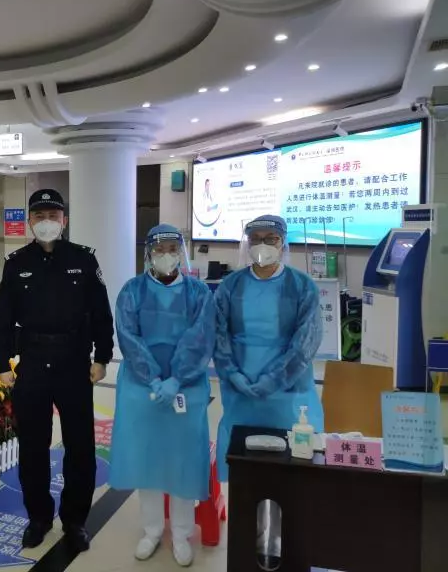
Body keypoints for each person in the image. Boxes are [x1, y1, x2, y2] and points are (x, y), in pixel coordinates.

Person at [0, 189, 114, 552]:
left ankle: (75, 521)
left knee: (80, 446)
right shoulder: (16, 263)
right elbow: (3, 319)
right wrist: (2, 364)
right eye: (40, 215)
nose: (46, 221)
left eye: (53, 215)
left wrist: (102, 356)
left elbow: (101, 313)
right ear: (29, 221)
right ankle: (39, 518)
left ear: (64, 220)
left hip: (74, 362)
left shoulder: (83, 259)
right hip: (32, 362)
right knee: (33, 446)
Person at [110, 224, 214, 566]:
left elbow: (200, 338)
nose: (166, 255)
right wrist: (154, 379)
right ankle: (152, 530)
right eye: (159, 249)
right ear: (148, 253)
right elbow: (128, 337)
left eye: (173, 248)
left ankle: (182, 533)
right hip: (143, 388)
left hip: (187, 387)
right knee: (148, 460)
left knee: (183, 461)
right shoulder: (133, 291)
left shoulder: (199, 293)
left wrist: (176, 379)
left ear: (181, 252)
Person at [214, 214, 324, 480]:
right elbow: (217, 335)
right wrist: (233, 375)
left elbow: (305, 343)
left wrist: (274, 379)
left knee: (291, 471)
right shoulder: (231, 286)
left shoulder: (302, 286)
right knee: (244, 471)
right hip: (241, 393)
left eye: (270, 239)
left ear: (282, 242)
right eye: (256, 239)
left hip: (290, 395)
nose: (262, 245)